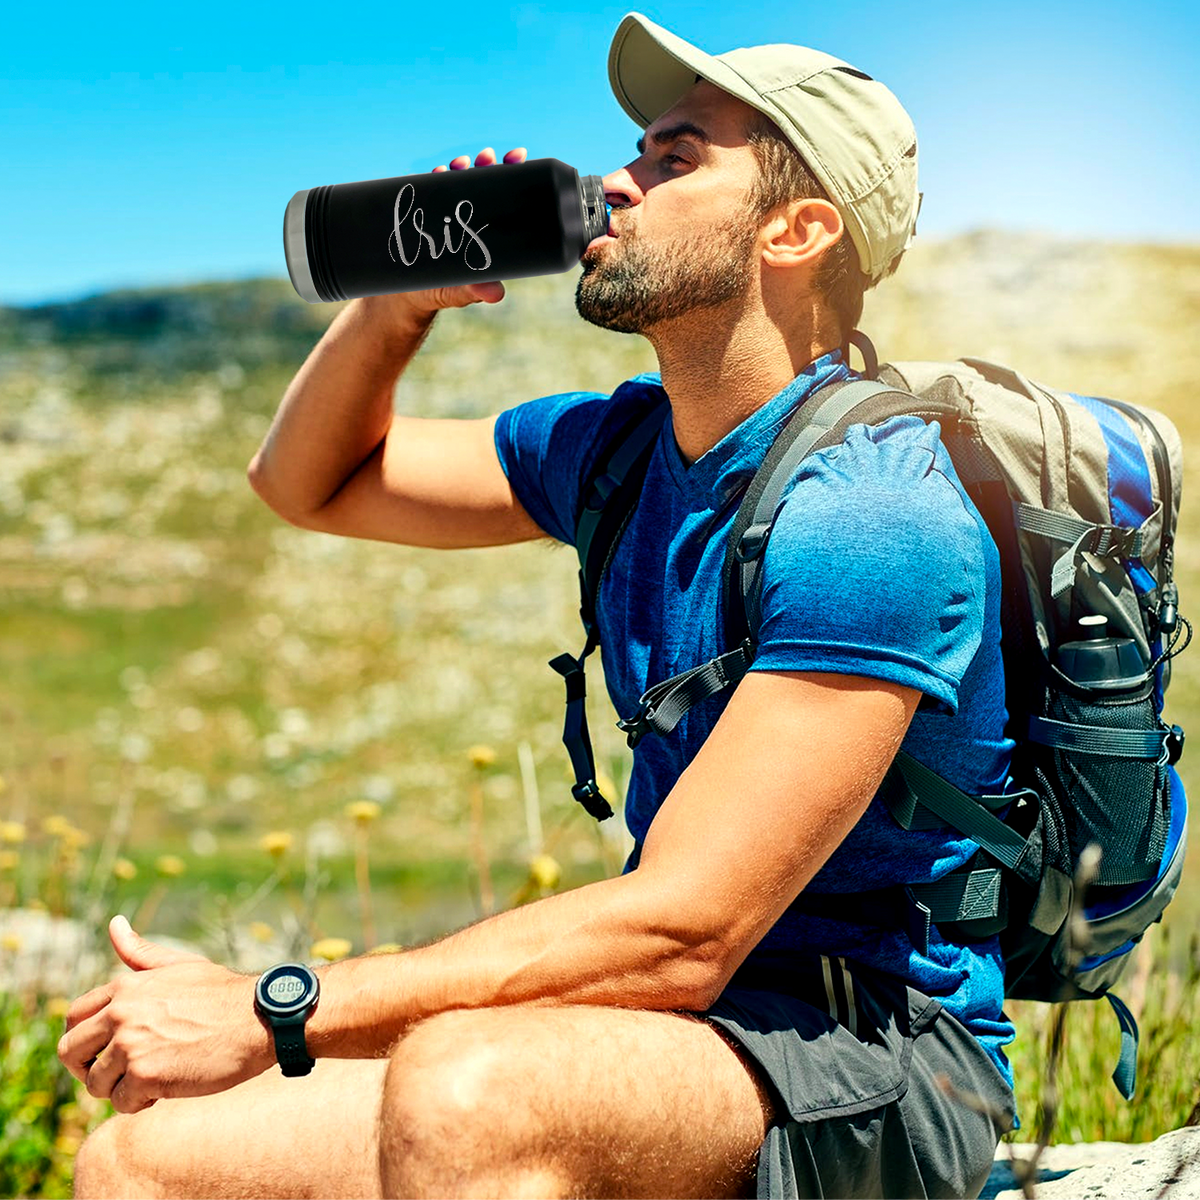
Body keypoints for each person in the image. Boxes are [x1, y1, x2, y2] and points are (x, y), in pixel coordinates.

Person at [60, 12, 1018, 1199]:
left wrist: (276, 1011)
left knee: (469, 1091)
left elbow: (682, 931)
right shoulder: (613, 448)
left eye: (674, 158)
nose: (616, 181)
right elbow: (310, 484)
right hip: (681, 1037)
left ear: (798, 228)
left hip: (880, 1060)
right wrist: (396, 302)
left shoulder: (875, 514)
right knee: (145, 1160)